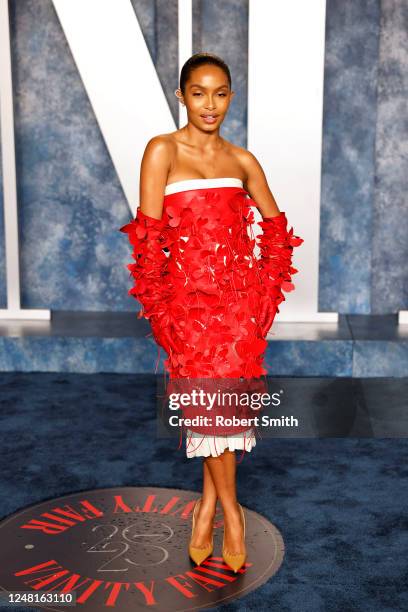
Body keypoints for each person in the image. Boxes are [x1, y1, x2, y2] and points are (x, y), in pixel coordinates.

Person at [119, 53, 303, 573]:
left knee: (220, 413)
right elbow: (149, 241)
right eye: (198, 92)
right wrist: (161, 311)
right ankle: (229, 509)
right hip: (186, 312)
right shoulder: (162, 152)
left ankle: (214, 510)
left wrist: (261, 299)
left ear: (230, 98)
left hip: (238, 312)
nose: (210, 104)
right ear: (182, 96)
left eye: (220, 93)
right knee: (211, 411)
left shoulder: (243, 161)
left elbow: (277, 233)